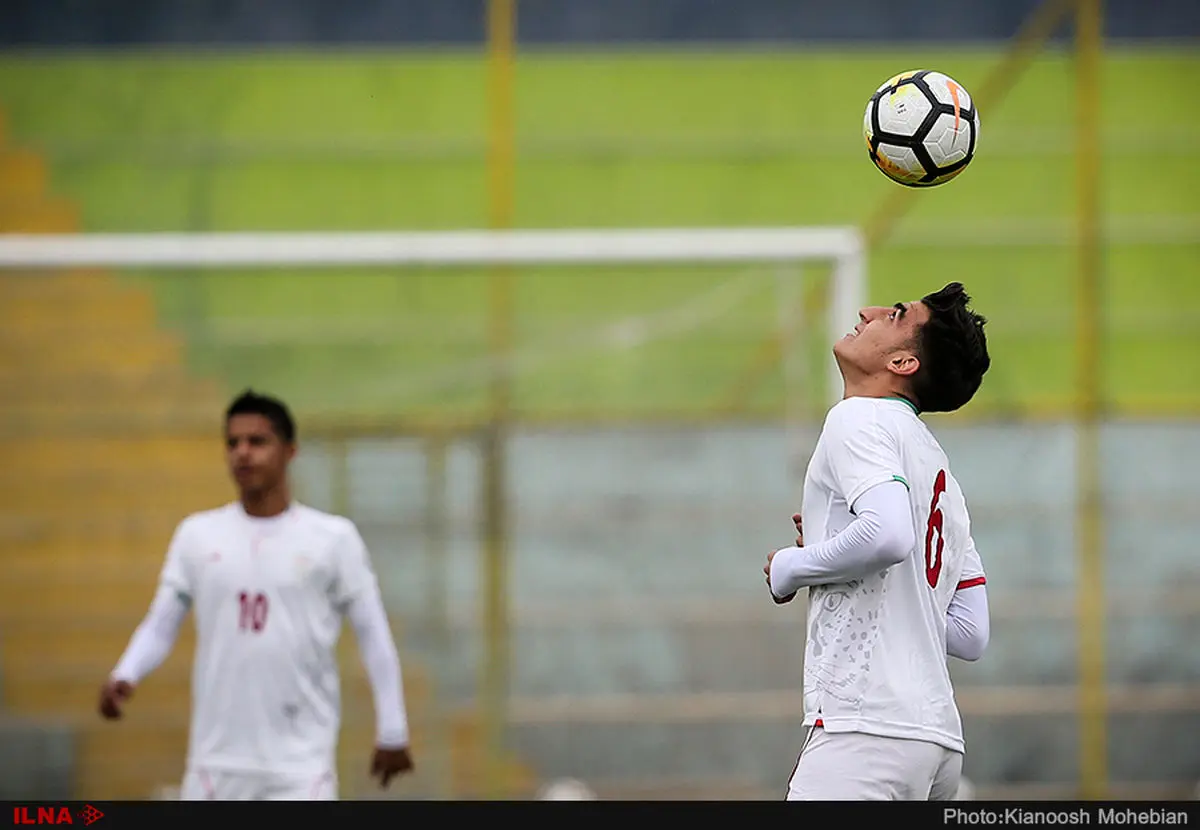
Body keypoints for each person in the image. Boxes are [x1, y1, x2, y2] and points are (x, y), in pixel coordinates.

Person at [99, 390, 415, 800]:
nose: (242, 453)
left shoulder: (332, 539)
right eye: (232, 443)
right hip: (216, 765)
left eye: (257, 441)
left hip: (300, 767)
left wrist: (393, 728)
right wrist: (127, 672)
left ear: (290, 451)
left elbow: (373, 635)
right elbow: (162, 622)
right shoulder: (197, 535)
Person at [763, 282, 992, 801]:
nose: (866, 312)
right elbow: (971, 631)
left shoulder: (858, 416)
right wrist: (837, 551)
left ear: (904, 363)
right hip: (937, 745)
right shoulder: (939, 470)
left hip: (867, 732)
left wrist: (794, 566)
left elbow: (888, 536)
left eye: (892, 314)